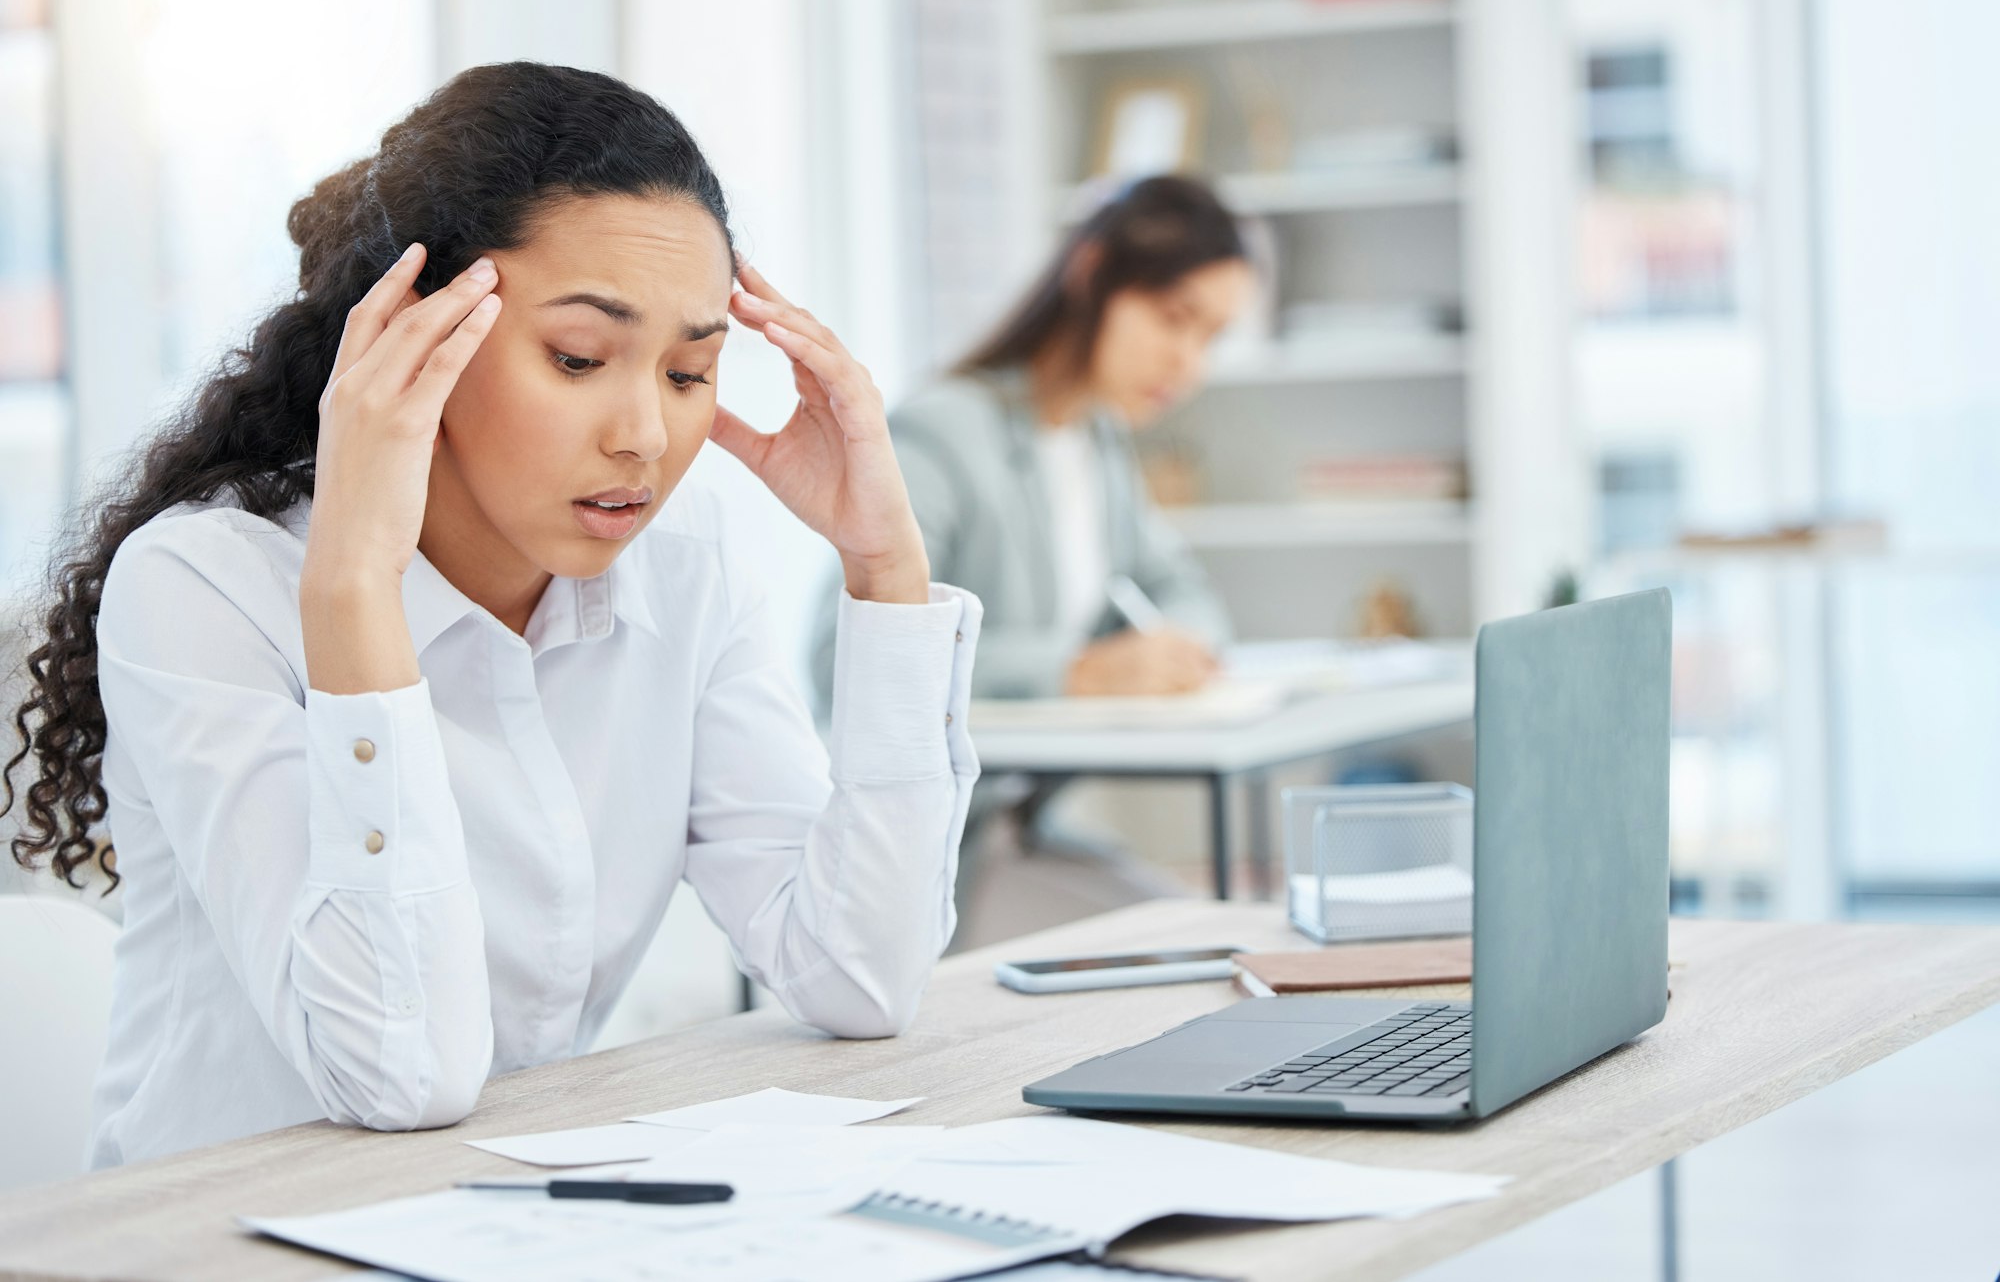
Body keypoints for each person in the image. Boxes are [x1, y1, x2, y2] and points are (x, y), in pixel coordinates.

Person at [0, 63, 981, 1167]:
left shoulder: (683, 570)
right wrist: (355, 589)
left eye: (688, 371)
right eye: (577, 357)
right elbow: (400, 1076)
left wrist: (885, 565)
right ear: (417, 340)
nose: (643, 437)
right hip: (220, 1236)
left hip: (510, 1217)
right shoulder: (204, 587)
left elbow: (861, 973)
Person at [811, 175, 1252, 707]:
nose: (1189, 364)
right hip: (946, 790)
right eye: (1173, 318)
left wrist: (1182, 650)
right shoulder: (944, 431)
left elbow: (1179, 586)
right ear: (1092, 273)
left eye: (1210, 337)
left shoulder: (1097, 437)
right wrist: (1081, 672)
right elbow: (840, 659)